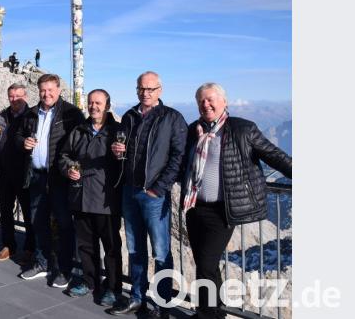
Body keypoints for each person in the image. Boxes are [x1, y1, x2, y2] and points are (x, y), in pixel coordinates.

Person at [181, 83, 291, 319]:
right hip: (195, 207)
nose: (205, 104)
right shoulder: (194, 130)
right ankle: (213, 310)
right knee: (203, 262)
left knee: (207, 264)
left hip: (223, 211)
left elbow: (274, 155)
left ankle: (207, 314)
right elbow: (182, 163)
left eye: (210, 99)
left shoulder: (242, 129)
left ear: (224, 102)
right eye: (201, 101)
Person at [109, 71, 187, 318]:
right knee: (134, 249)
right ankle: (137, 297)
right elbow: (122, 149)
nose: (145, 93)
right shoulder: (130, 116)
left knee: (161, 251)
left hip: (154, 195)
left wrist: (159, 188)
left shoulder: (172, 118)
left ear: (160, 90)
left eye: (150, 89)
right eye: (141, 89)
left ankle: (162, 303)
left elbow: (178, 157)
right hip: (129, 191)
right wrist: (116, 150)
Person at [17, 73, 86, 288]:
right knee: (38, 221)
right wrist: (23, 142)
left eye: (50, 90)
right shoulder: (30, 113)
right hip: (36, 176)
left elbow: (82, 145)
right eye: (43, 90)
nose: (46, 94)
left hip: (60, 178)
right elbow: (18, 136)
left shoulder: (71, 114)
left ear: (58, 90)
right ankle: (42, 262)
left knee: (65, 224)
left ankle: (65, 269)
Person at [58, 89, 123, 307]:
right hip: (80, 196)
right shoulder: (80, 129)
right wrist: (68, 170)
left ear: (107, 105)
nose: (93, 106)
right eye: (90, 102)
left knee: (111, 248)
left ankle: (113, 288)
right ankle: (89, 281)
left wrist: (121, 155)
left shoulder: (117, 131)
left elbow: (126, 162)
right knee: (86, 245)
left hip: (107, 199)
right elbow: (64, 156)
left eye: (98, 103)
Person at [0, 83, 35, 263]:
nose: (14, 99)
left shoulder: (32, 116)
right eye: (11, 96)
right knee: (5, 210)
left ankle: (31, 248)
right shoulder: (2, 116)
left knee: (28, 212)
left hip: (24, 172)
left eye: (18, 96)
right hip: (5, 171)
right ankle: (9, 245)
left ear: (25, 97)